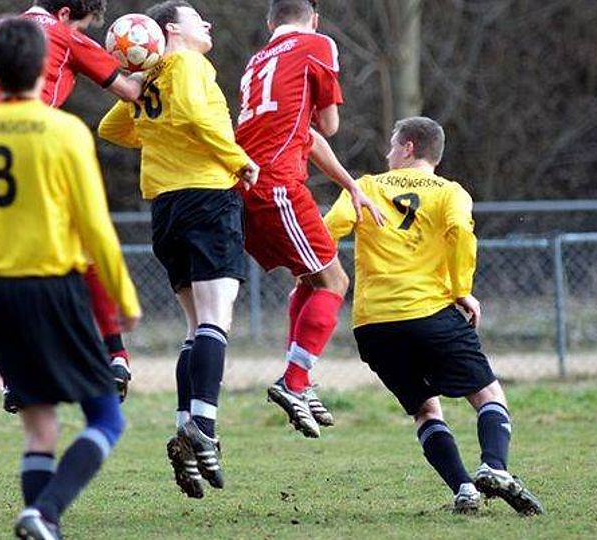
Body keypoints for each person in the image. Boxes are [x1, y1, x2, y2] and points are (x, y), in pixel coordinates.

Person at [0, 17, 142, 539]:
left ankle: (42, 526)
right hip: (56, 290)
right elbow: (95, 225)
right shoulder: (65, 132)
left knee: (39, 426)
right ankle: (44, 512)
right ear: (44, 67)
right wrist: (123, 297)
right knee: (106, 419)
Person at [0, 0, 142, 407]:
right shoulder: (65, 37)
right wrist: (161, 64)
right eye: (85, 25)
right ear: (64, 15)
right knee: (81, 242)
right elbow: (129, 91)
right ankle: (114, 352)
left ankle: (13, 376)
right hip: (33, 147)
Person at [323, 116, 543, 515]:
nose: (388, 152)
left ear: (409, 147)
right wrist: (462, 290)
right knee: (488, 394)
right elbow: (461, 232)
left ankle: (464, 489)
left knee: (426, 410)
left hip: (374, 326)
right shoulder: (451, 193)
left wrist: (310, 275)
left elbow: (330, 228)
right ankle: (494, 467)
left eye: (392, 144)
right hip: (429, 314)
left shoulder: (367, 186)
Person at [98, 0, 259, 499]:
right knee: (216, 320)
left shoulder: (150, 75)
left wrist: (154, 124)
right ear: (171, 30)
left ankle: (186, 425)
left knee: (195, 326)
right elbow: (191, 112)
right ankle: (202, 427)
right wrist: (239, 158)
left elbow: (112, 128)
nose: (207, 24)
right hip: (207, 197)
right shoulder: (187, 63)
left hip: (166, 207)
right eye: (197, 18)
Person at [234, 0, 382, 438]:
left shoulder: (257, 61)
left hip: (247, 184)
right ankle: (294, 382)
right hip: (277, 185)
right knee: (335, 282)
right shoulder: (318, 44)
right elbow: (329, 125)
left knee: (310, 280)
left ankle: (302, 380)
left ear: (269, 22)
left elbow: (307, 134)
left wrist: (349, 184)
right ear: (313, 18)